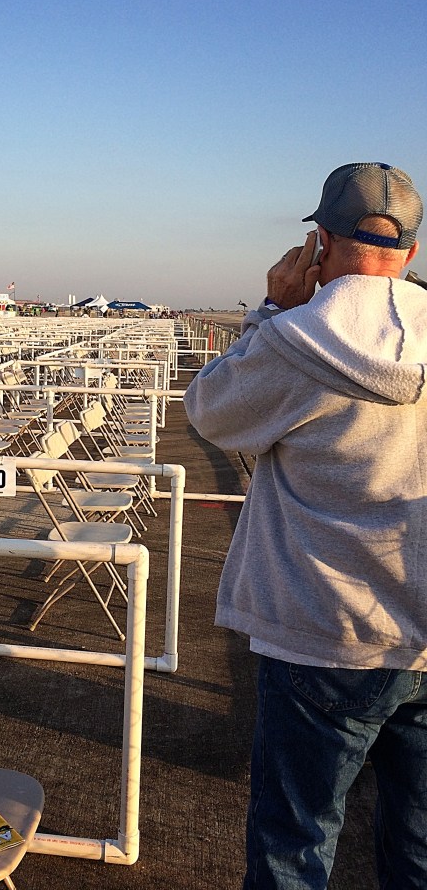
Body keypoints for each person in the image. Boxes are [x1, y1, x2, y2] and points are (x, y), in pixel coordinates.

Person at [183, 162, 427, 889]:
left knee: (294, 843)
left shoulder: (299, 339)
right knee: (418, 847)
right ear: (411, 251)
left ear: (319, 243)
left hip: (322, 631)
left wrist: (270, 309)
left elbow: (212, 412)